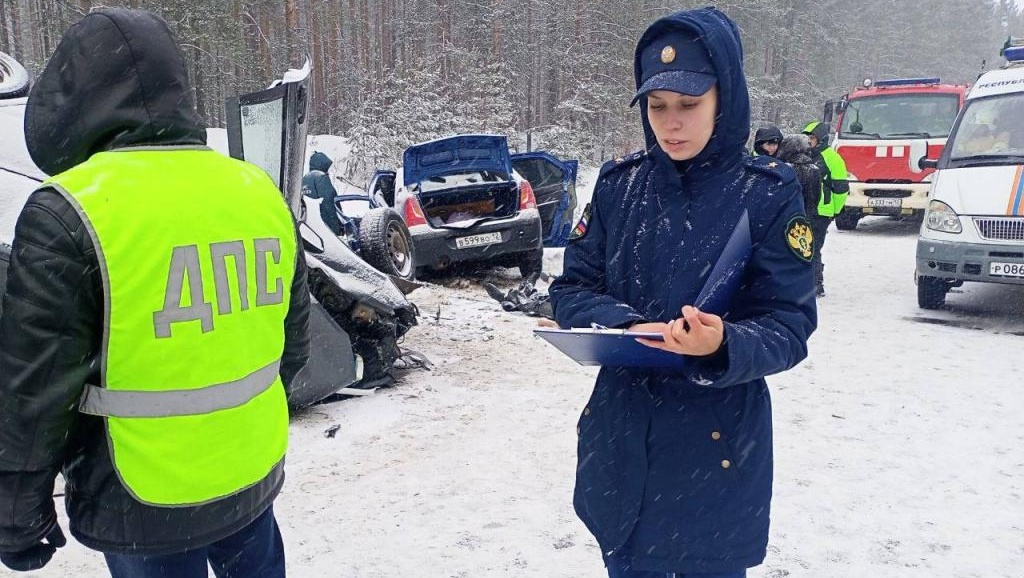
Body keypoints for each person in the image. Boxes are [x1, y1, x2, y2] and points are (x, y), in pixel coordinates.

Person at [0, 8, 310, 577]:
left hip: (142, 498)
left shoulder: (69, 210)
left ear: (72, 94)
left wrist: (15, 509)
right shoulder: (254, 190)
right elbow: (292, 346)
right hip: (249, 472)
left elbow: (33, 388)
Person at [549, 7, 816, 578]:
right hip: (621, 448)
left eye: (689, 104)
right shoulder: (620, 188)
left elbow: (789, 324)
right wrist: (622, 325)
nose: (671, 123)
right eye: (657, 106)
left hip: (715, 456)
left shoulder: (767, 194)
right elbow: (572, 286)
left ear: (727, 96)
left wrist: (722, 344)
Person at [776, 134, 830, 297]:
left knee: (787, 252)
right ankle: (813, 285)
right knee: (810, 251)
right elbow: (817, 195)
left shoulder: (786, 169)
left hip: (789, 217)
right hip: (811, 216)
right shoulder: (814, 169)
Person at [302, 151, 351, 236]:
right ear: (322, 165)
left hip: (310, 224)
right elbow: (329, 202)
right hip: (325, 226)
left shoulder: (306, 177)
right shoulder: (321, 177)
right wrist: (337, 227)